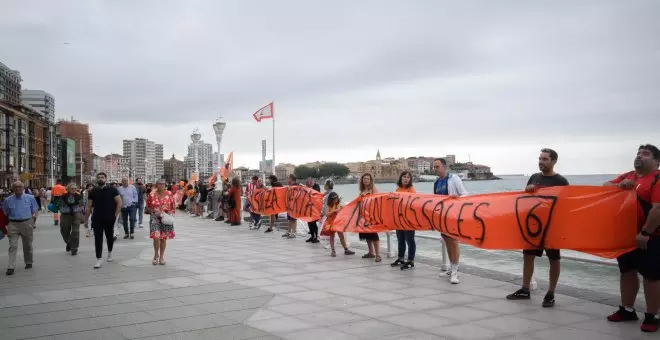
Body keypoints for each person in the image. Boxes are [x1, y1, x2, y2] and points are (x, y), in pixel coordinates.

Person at [605, 144, 660, 332]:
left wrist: (645, 233)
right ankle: (627, 310)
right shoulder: (629, 176)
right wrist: (619, 185)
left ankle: (653, 316)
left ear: (656, 162)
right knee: (627, 271)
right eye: (638, 153)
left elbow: (658, 209)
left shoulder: (657, 179)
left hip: (650, 236)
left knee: (651, 276)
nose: (639, 156)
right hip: (627, 235)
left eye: (645, 154)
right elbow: (605, 187)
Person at [506, 148, 569, 307]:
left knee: (554, 259)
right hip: (533, 226)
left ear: (554, 161)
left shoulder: (561, 181)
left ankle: (551, 294)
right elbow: (525, 200)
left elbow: (566, 205)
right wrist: (528, 191)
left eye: (545, 159)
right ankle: (525, 289)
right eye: (540, 159)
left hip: (552, 227)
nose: (541, 162)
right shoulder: (534, 177)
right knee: (528, 256)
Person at [433, 158, 469, 284]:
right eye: (434, 167)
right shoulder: (436, 182)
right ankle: (451, 268)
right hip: (442, 217)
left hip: (453, 215)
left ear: (444, 167)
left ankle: (455, 271)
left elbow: (465, 194)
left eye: (437, 166)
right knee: (447, 243)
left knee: (454, 242)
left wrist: (456, 198)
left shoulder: (454, 179)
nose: (435, 169)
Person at [85, 173, 122, 269]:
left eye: (102, 177)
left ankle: (110, 253)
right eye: (99, 177)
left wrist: (115, 215)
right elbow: (89, 206)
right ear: (97, 179)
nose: (100, 179)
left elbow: (119, 203)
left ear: (106, 179)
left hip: (109, 217)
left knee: (109, 237)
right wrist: (86, 219)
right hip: (97, 218)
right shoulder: (93, 191)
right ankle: (99, 258)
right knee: (98, 238)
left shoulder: (112, 190)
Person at [3, 181, 38, 276]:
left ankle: (28, 262)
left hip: (27, 223)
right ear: (13, 188)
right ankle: (11, 266)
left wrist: (33, 222)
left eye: (20, 187)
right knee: (12, 246)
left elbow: (35, 210)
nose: (18, 188)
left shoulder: (30, 198)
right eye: (16, 187)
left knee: (27, 245)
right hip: (13, 224)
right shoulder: (8, 200)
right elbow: (5, 213)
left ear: (23, 188)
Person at [391, 171, 417, 270]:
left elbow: (414, 204)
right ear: (401, 178)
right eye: (404, 177)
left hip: (409, 219)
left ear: (410, 179)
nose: (405, 179)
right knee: (400, 239)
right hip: (399, 219)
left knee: (410, 240)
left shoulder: (411, 189)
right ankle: (401, 258)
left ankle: (410, 261)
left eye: (408, 177)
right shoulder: (398, 189)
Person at [147, 179, 176, 265]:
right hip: (155, 218)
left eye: (163, 184)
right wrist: (153, 211)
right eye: (160, 184)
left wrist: (170, 213)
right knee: (156, 237)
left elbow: (173, 206)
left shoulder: (169, 194)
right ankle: (156, 255)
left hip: (165, 218)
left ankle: (162, 257)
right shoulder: (152, 194)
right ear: (156, 185)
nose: (162, 186)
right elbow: (148, 206)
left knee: (163, 238)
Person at [321, 191, 355, 257]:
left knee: (341, 236)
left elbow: (345, 207)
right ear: (331, 199)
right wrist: (334, 211)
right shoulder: (329, 205)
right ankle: (333, 251)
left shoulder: (338, 204)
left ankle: (346, 249)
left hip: (337, 222)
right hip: (330, 222)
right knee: (332, 237)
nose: (335, 200)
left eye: (336, 198)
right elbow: (327, 214)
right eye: (334, 199)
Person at [358, 173, 381, 262]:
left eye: (368, 179)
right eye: (364, 179)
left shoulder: (373, 188)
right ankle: (371, 252)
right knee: (367, 234)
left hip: (371, 215)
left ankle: (378, 254)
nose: (366, 180)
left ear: (370, 180)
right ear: (362, 180)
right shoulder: (362, 189)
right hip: (363, 215)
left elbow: (378, 200)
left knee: (374, 234)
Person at [59, 183, 85, 256]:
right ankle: (69, 243)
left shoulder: (79, 196)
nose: (74, 190)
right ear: (68, 189)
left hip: (76, 214)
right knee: (64, 231)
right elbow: (60, 206)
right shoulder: (63, 196)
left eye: (75, 188)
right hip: (65, 215)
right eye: (72, 188)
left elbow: (82, 206)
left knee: (75, 231)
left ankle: (74, 248)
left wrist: (82, 213)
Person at [305, 177, 321, 243]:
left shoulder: (316, 186)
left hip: (315, 208)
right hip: (309, 207)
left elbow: (315, 194)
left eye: (308, 184)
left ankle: (316, 237)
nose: (307, 185)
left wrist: (308, 188)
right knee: (309, 222)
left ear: (311, 182)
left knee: (313, 223)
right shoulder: (310, 187)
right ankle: (312, 236)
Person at [283, 174, 300, 239]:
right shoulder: (290, 186)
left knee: (293, 219)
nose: (288, 180)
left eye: (288, 178)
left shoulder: (296, 186)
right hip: (289, 205)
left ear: (291, 179)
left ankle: (294, 233)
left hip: (294, 206)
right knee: (289, 219)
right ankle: (289, 231)